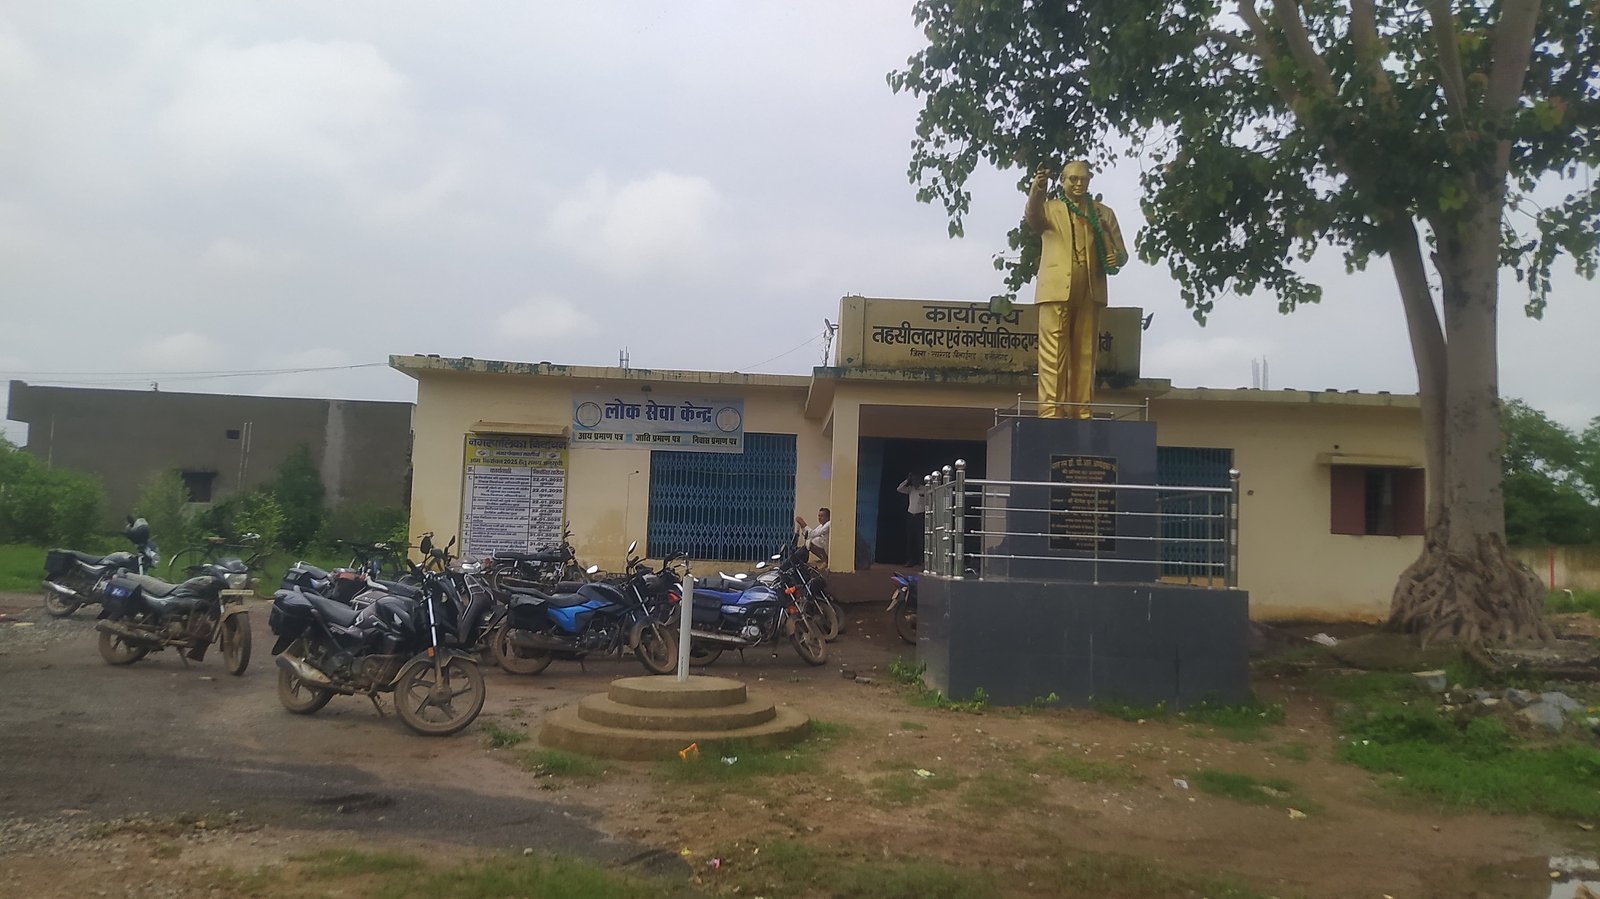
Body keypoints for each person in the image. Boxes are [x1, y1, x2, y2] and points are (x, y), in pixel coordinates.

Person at [1024, 160, 1128, 420]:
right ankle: (1051, 412)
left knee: (1085, 353)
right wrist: (1037, 188)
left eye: (1084, 179)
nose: (1079, 184)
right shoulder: (1050, 209)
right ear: (1062, 180)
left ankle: (1082, 410)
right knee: (1053, 352)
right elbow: (1032, 216)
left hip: (1091, 289)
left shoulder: (1103, 213)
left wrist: (1116, 257)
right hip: (1056, 288)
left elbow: (1122, 253)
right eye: (1073, 179)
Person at [896, 472, 927, 566]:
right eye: (913, 480)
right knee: (910, 539)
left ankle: (921, 561)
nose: (915, 482)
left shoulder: (925, 489)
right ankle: (911, 560)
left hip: (920, 515)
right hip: (910, 515)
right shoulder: (910, 489)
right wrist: (907, 480)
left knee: (920, 539)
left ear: (920, 480)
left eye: (916, 479)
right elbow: (899, 489)